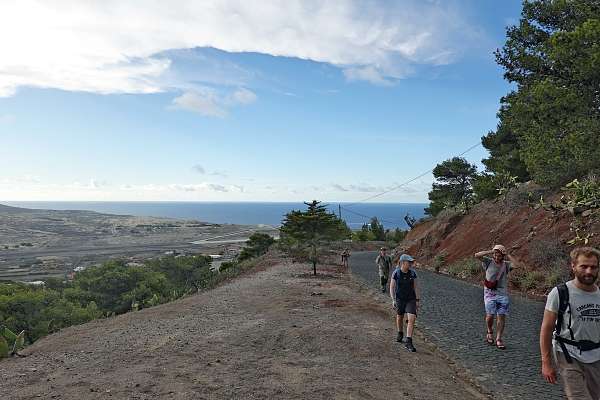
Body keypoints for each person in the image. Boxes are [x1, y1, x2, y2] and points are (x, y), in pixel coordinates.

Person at [540, 247, 600, 399]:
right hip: (567, 353)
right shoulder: (560, 293)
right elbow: (546, 329)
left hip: (595, 356)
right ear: (573, 266)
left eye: (593, 267)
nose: (588, 271)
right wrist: (546, 362)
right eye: (584, 266)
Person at [475, 244, 515, 350]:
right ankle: (489, 331)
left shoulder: (505, 265)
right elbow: (477, 255)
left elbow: (516, 265)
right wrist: (491, 250)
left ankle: (499, 339)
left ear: (502, 255)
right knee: (490, 315)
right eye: (495, 255)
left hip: (502, 294)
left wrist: (508, 254)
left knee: (501, 316)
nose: (497, 257)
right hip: (489, 293)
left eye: (499, 255)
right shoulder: (488, 262)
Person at [389, 253, 419, 352]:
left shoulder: (413, 273)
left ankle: (408, 341)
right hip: (400, 299)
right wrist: (393, 299)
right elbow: (392, 287)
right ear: (402, 262)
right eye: (409, 262)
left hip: (411, 299)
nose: (410, 264)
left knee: (412, 318)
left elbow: (416, 287)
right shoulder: (396, 273)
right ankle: (400, 333)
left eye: (411, 262)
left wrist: (417, 300)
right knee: (400, 316)